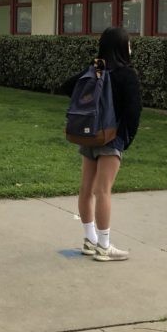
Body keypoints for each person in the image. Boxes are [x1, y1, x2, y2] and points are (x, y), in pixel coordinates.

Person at [63, 26, 142, 262]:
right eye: (128, 43)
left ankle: (90, 240)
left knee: (87, 189)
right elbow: (133, 111)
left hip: (89, 133)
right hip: (111, 136)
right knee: (103, 190)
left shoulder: (97, 69)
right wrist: (126, 139)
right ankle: (105, 246)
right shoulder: (127, 75)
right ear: (121, 47)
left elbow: (68, 86)